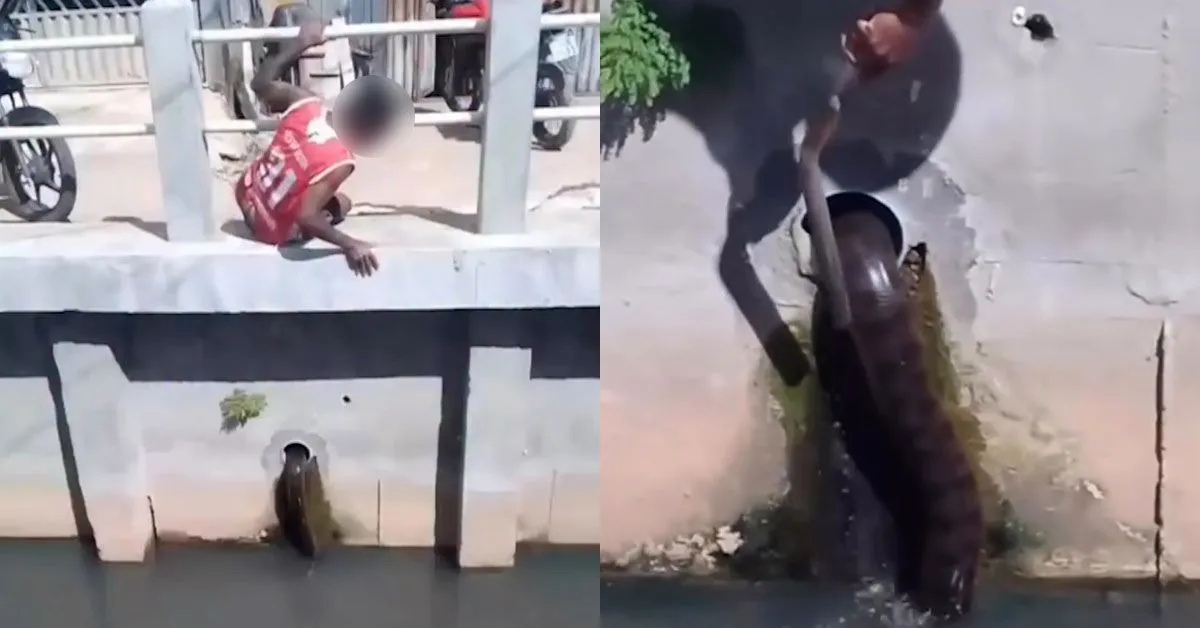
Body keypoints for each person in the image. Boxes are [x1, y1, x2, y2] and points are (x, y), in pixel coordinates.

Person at [235, 20, 411, 277]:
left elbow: (260, 84)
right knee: (342, 204)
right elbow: (306, 217)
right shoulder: (340, 161)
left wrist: (301, 43)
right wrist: (349, 244)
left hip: (245, 191)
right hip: (266, 226)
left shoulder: (305, 102)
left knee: (318, 190)